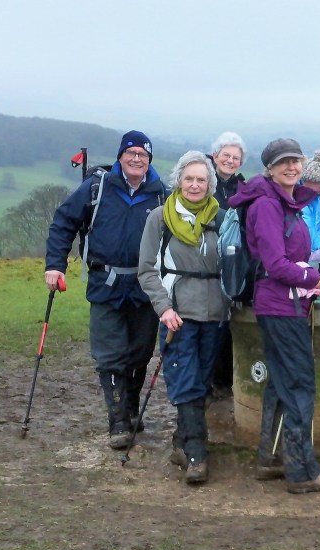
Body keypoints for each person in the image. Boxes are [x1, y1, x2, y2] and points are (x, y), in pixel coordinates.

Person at [228, 138, 320, 494]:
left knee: (281, 383)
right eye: (283, 163)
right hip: (280, 306)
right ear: (270, 169)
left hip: (285, 302)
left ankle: (270, 458)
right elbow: (276, 264)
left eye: (296, 161)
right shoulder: (267, 205)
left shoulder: (284, 201)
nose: (291, 167)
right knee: (299, 386)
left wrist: (309, 282)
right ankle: (302, 471)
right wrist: (313, 277)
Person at [45, 130, 165, 450]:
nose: (136, 159)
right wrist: (55, 265)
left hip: (145, 286)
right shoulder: (97, 187)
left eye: (143, 154)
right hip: (105, 284)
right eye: (131, 153)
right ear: (120, 157)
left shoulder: (161, 194)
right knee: (110, 355)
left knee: (140, 352)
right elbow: (63, 222)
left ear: (149, 159)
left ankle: (131, 406)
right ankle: (118, 420)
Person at [138, 150, 227, 483]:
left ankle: (181, 442)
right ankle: (196, 455)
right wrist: (164, 308)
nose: (194, 185)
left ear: (210, 184)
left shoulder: (222, 217)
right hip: (177, 314)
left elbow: (233, 265)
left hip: (216, 313)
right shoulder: (160, 219)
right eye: (188, 178)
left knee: (201, 383)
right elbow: (147, 270)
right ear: (178, 180)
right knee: (186, 382)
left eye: (201, 179)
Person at [208, 132, 248, 401]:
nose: (230, 161)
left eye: (236, 157)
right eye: (226, 156)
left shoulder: (244, 188)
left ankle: (226, 381)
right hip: (207, 260)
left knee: (231, 325)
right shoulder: (202, 181)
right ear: (215, 157)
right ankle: (210, 380)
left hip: (233, 262)